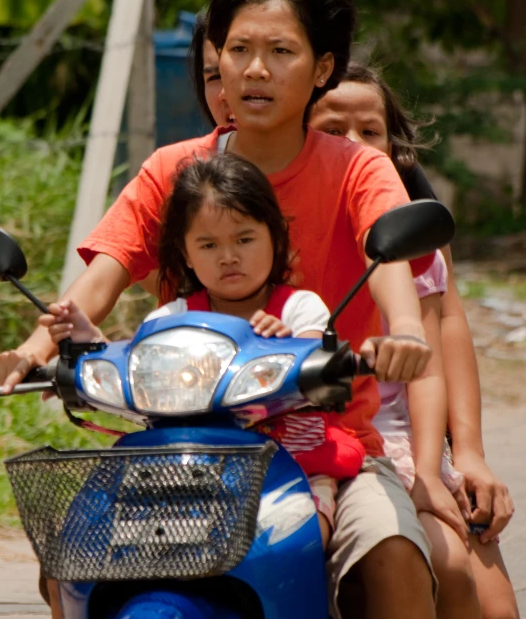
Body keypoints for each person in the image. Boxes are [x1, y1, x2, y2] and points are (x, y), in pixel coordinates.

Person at [0, 0, 440, 618]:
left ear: (322, 69)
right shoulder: (174, 170)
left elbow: (392, 261)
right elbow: (102, 275)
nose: (255, 69)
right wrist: (37, 343)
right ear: (217, 60)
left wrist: (402, 331)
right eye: (238, 50)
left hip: (323, 437)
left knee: (390, 550)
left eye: (280, 51)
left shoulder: (358, 169)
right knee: (70, 551)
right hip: (186, 437)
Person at [39, 153, 366, 548]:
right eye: (208, 244)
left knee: (305, 535)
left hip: (292, 465)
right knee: (78, 544)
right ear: (186, 253)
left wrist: (291, 345)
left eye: (244, 239)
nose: (228, 256)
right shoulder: (171, 318)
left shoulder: (300, 307)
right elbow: (142, 368)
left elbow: (317, 353)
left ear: (275, 236)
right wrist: (91, 347)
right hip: (183, 468)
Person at [309, 62, 520, 619]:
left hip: (403, 441)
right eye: (333, 132)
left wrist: (462, 455)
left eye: (369, 132)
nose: (353, 146)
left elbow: (441, 338)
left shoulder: (410, 232)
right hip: (313, 435)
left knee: (484, 595)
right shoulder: (265, 225)